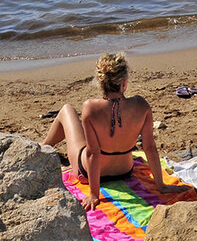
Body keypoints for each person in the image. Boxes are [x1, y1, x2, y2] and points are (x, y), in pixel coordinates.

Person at [41, 54, 185, 210]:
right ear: (124, 83)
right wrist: (161, 186)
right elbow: (149, 148)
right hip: (125, 171)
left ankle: (42, 146)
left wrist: (94, 195)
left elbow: (93, 153)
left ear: (101, 83)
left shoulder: (90, 107)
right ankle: (42, 146)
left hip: (88, 173)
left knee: (66, 110)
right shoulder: (141, 106)